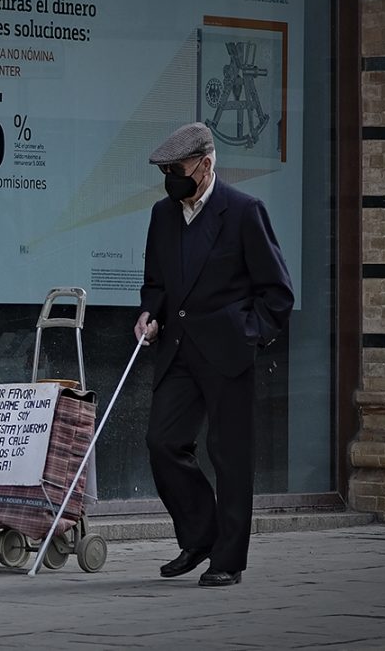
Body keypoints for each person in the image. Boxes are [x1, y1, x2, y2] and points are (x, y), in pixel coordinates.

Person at [134, 122, 294, 587]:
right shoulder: (162, 215)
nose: (170, 177)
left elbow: (277, 293)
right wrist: (149, 313)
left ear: (205, 165)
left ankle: (228, 559)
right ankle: (201, 535)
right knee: (162, 443)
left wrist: (248, 334)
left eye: (177, 168)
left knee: (229, 455)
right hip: (178, 349)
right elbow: (156, 284)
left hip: (228, 350)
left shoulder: (244, 212)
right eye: (165, 170)